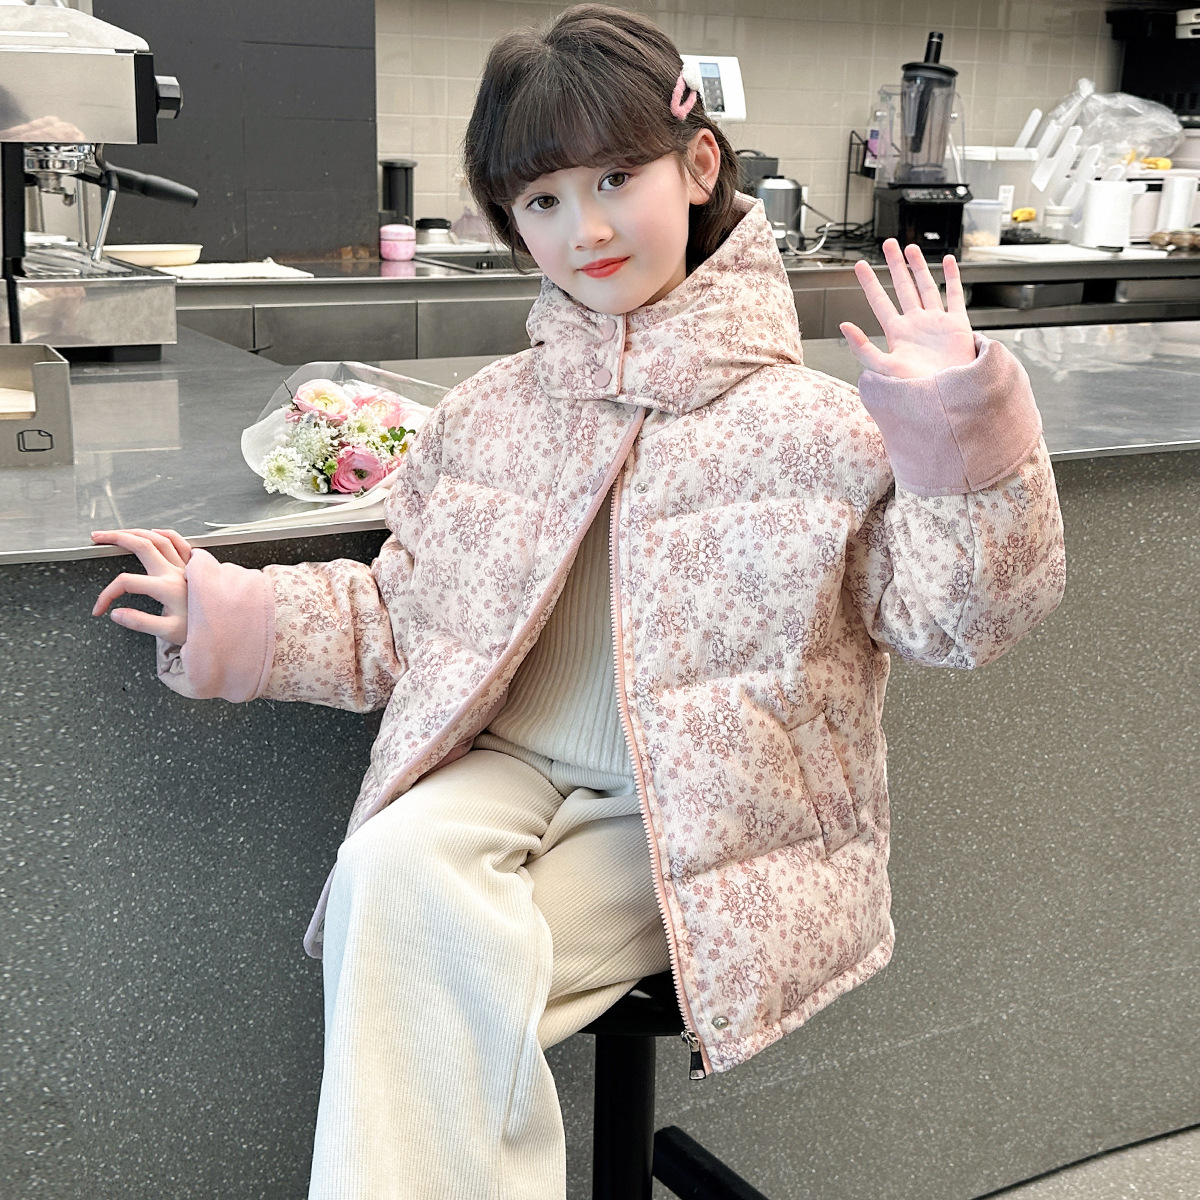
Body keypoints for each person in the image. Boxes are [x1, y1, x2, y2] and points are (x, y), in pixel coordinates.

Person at [91, 5, 1066, 1197]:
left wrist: (962, 435)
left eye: (615, 179)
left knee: (426, 961)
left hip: (699, 812)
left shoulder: (818, 429)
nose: (585, 229)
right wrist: (229, 615)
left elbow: (966, 622)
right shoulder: (488, 415)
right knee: (386, 866)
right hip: (504, 767)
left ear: (697, 164)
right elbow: (402, 624)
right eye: (542, 200)